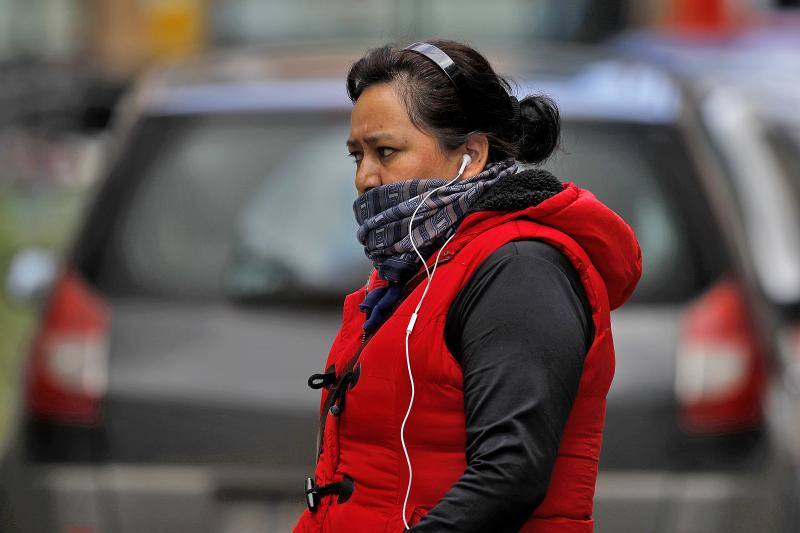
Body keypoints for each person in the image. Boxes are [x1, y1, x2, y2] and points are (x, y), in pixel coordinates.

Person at [293, 39, 642, 533]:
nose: (365, 178)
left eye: (385, 151)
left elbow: (509, 473)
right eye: (357, 156)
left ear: (471, 155)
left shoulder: (520, 268)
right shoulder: (414, 267)